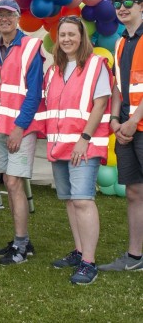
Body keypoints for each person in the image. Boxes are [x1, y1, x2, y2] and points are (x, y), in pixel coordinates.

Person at [41, 16, 111, 284]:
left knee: (83, 200)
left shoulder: (95, 65)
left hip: (84, 144)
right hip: (59, 146)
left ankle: (89, 262)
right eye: (63, 35)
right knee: (70, 200)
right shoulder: (54, 70)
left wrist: (85, 137)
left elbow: (100, 103)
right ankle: (79, 250)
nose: (67, 39)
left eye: (72, 34)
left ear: (82, 37)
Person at [0, 0, 44, 265]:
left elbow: (34, 93)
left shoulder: (31, 46)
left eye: (8, 14)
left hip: (20, 128)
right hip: (0, 127)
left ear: (18, 17)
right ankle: (21, 240)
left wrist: (19, 128)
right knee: (11, 186)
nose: (3, 19)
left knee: (12, 182)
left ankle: (20, 246)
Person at [100, 0, 143, 272]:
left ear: (142, 5)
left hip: (136, 125)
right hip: (126, 127)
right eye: (117, 3)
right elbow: (117, 88)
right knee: (133, 192)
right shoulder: (119, 43)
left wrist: (132, 120)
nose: (122, 7)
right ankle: (135, 256)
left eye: (129, 1)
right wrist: (115, 119)